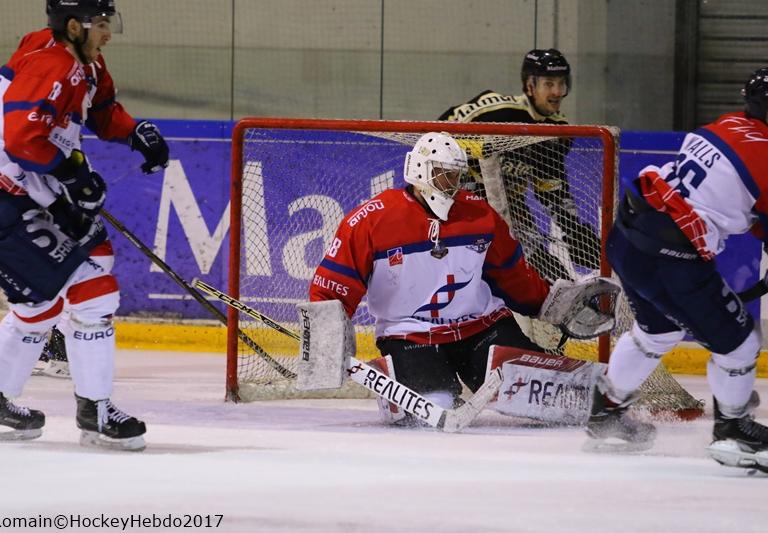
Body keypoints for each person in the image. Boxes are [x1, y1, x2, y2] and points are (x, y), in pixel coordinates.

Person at [0, 0, 168, 451]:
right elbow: (23, 139)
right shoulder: (53, 64)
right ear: (74, 26)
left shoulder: (77, 59)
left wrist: (134, 132)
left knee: (71, 278)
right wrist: (74, 176)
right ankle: (96, 412)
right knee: (95, 289)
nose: (108, 33)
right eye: (101, 24)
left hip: (19, 189)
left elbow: (100, 109)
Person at [584, 68, 768, 470]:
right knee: (739, 343)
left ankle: (607, 411)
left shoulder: (727, 124)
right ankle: (733, 431)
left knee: (658, 331)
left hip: (628, 235)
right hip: (670, 256)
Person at [308, 131, 554, 422]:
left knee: (544, 394)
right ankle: (397, 383)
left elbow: (513, 276)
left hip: (482, 328)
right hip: (409, 334)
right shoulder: (371, 220)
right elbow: (332, 287)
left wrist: (549, 304)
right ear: (418, 171)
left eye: (455, 175)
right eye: (443, 174)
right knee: (433, 406)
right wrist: (324, 342)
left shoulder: (478, 214)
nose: (451, 183)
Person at [439, 48, 599, 283]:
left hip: (511, 207)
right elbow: (439, 131)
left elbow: (550, 187)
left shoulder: (557, 131)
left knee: (549, 275)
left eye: (561, 83)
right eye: (549, 84)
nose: (557, 92)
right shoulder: (497, 110)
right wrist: (476, 149)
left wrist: (572, 229)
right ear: (530, 86)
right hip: (465, 200)